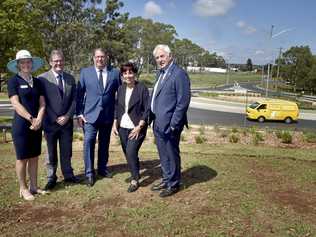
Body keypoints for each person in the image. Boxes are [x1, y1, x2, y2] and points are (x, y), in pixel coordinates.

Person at [149, 44, 191, 197]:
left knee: (171, 154)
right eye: (157, 57)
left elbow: (183, 102)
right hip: (158, 123)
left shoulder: (179, 74)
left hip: (170, 125)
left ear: (170, 56)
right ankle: (167, 179)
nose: (160, 60)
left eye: (162, 56)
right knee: (163, 154)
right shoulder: (160, 73)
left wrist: (174, 124)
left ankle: (174, 184)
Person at [76, 48, 121, 187]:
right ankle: (89, 173)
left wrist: (117, 116)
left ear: (107, 57)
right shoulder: (85, 73)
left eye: (102, 56)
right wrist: (79, 113)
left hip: (107, 116)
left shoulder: (115, 73)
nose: (100, 59)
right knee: (88, 142)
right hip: (89, 116)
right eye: (97, 57)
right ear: (93, 58)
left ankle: (102, 169)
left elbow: (120, 94)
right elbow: (79, 95)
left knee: (104, 144)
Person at [7, 50, 46, 200]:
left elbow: (42, 103)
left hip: (36, 124)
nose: (26, 64)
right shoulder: (13, 81)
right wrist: (31, 119)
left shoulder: (38, 82)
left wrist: (39, 119)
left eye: (28, 62)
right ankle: (23, 189)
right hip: (22, 126)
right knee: (22, 158)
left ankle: (34, 186)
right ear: (18, 65)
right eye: (22, 62)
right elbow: (15, 104)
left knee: (34, 157)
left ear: (32, 64)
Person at [38, 50, 79, 190]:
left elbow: (74, 100)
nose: (58, 63)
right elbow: (42, 101)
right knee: (51, 152)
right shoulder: (42, 79)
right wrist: (55, 117)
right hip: (50, 122)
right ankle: (51, 178)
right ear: (50, 62)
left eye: (60, 60)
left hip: (66, 123)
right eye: (55, 61)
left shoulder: (70, 78)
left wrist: (67, 116)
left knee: (66, 151)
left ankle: (68, 175)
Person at [112, 62, 149, 192]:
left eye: (130, 72)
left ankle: (135, 179)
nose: (128, 75)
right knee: (128, 153)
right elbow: (117, 107)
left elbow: (147, 109)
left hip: (137, 127)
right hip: (123, 127)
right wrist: (115, 123)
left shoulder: (142, 88)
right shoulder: (120, 89)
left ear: (135, 73)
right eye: (125, 73)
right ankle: (136, 171)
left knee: (131, 151)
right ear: (122, 75)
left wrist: (140, 126)